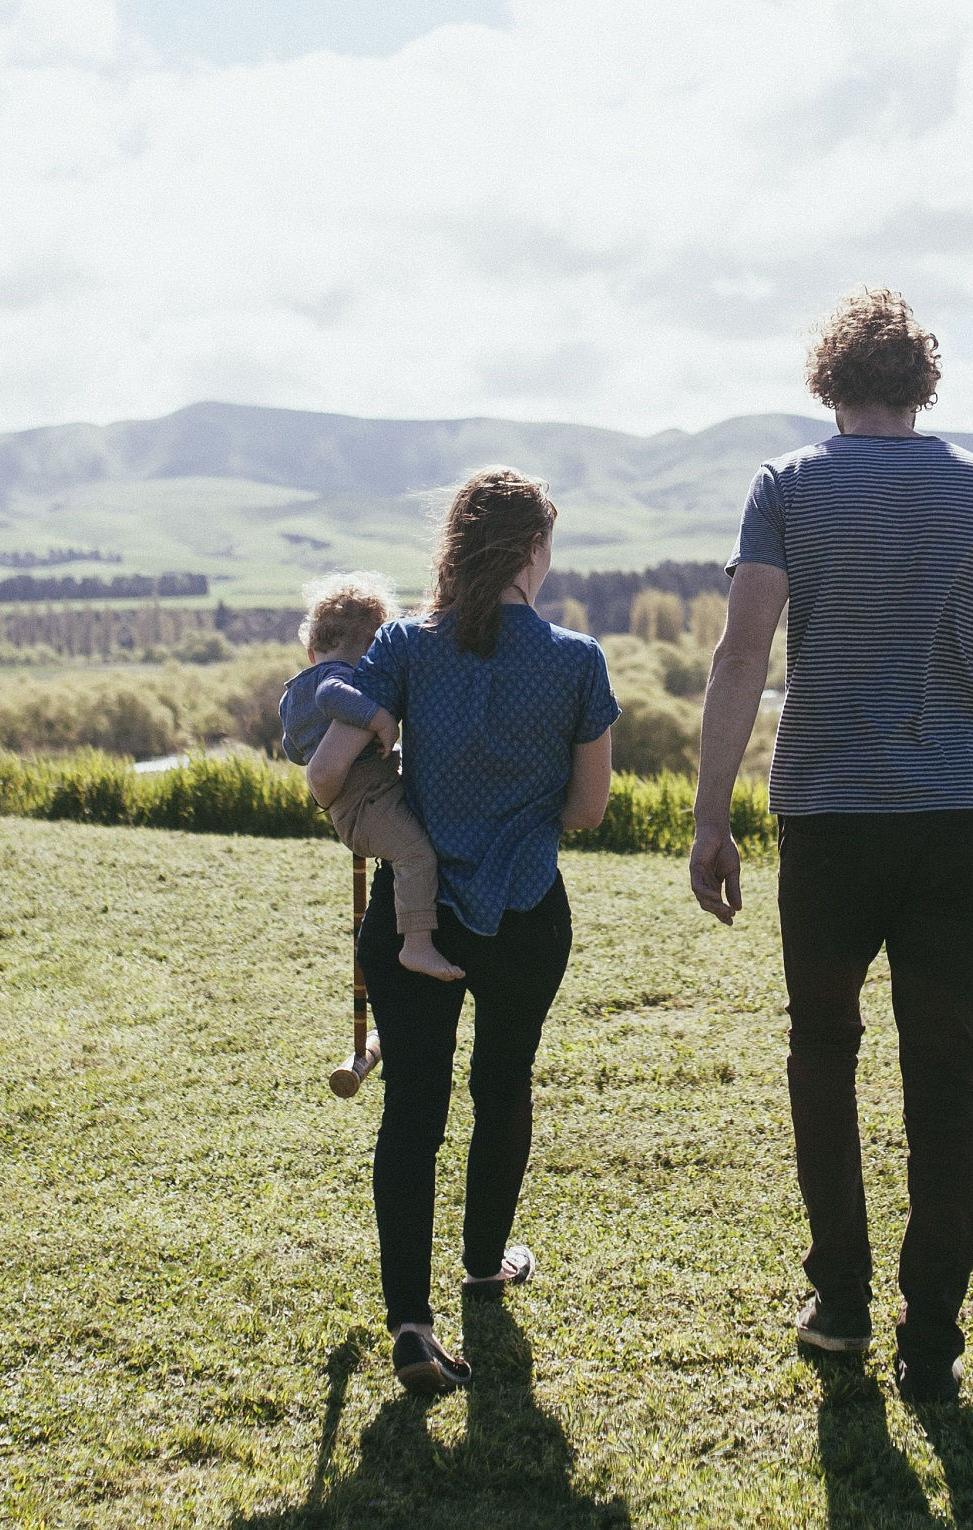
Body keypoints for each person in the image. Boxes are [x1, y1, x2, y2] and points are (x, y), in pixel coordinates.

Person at [689, 289, 973, 1405]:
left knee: (824, 1051)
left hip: (828, 818)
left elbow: (739, 658)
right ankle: (936, 1343)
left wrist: (711, 817)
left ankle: (843, 1303)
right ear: (922, 384)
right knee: (944, 1079)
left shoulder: (787, 486)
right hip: (956, 817)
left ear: (829, 382)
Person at [306, 467, 620, 1397]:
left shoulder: (404, 646)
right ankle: (485, 1263)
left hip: (416, 911)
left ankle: (410, 1321)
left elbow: (326, 774)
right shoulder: (577, 660)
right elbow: (591, 809)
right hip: (526, 911)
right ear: (534, 551)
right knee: (502, 1083)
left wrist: (394, 796)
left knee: (412, 1113)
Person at [280, 572, 463, 982]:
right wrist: (380, 718)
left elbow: (294, 750)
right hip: (365, 802)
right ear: (372, 647)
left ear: (311, 649)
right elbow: (332, 694)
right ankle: (417, 946)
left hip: (353, 803)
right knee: (416, 853)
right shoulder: (338, 679)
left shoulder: (293, 694)